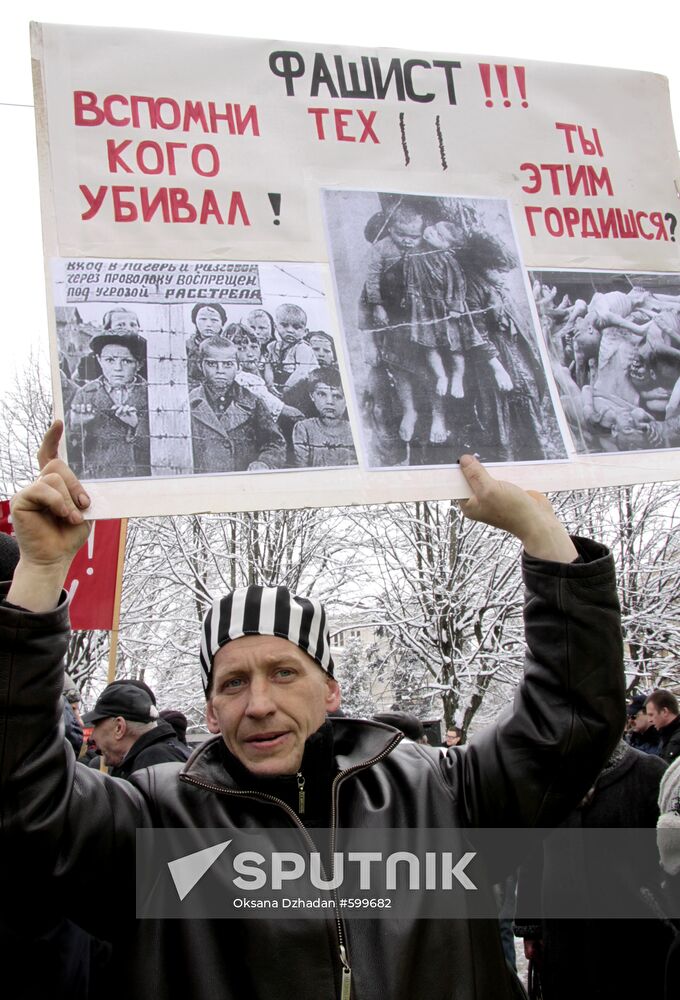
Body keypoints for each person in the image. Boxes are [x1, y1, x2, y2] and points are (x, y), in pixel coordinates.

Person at [0, 449, 624, 1000]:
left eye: (285, 672)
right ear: (211, 710)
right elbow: (25, 797)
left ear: (330, 689)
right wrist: (40, 574)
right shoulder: (157, 819)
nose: (260, 703)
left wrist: (541, 532)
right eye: (234, 683)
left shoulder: (436, 793)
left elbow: (569, 724)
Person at [515, 740, 671, 999]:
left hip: (634, 947)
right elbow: (533, 856)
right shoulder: (546, 779)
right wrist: (530, 927)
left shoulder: (649, 773)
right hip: (563, 944)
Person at [189, 337, 286, 474]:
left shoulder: (252, 402)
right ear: (200, 365)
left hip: (241, 479)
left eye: (228, 364)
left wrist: (264, 462)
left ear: (239, 366)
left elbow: (274, 442)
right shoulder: (188, 402)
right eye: (212, 364)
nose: (220, 370)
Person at [67, 329, 150, 479]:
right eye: (110, 360)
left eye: (126, 361)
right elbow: (69, 452)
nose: (117, 368)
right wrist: (75, 425)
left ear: (139, 364)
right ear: (99, 360)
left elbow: (167, 443)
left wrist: (137, 425)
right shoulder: (85, 394)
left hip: (140, 479)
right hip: (100, 479)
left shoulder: (152, 394)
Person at [82, 682, 191, 778]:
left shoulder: (152, 764)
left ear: (119, 728)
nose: (92, 736)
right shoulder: (159, 758)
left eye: (96, 725)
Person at [292, 368, 357, 468]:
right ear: (312, 396)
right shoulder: (304, 429)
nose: (329, 401)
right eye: (322, 394)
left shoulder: (354, 430)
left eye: (337, 396)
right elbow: (301, 468)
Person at [264, 303, 319, 393]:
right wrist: (270, 385)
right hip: (284, 382)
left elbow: (301, 373)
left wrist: (284, 391)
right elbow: (268, 366)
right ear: (275, 326)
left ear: (305, 332)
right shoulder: (272, 346)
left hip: (304, 385)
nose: (290, 330)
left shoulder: (302, 348)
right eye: (284, 325)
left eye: (296, 327)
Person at [186, 303, 227, 386]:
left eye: (214, 320)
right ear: (195, 321)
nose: (208, 324)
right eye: (203, 319)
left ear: (222, 323)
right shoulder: (186, 346)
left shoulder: (229, 348)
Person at [646, 690, 680, 764]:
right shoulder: (666, 736)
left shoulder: (675, 738)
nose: (649, 720)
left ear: (664, 711)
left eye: (651, 715)